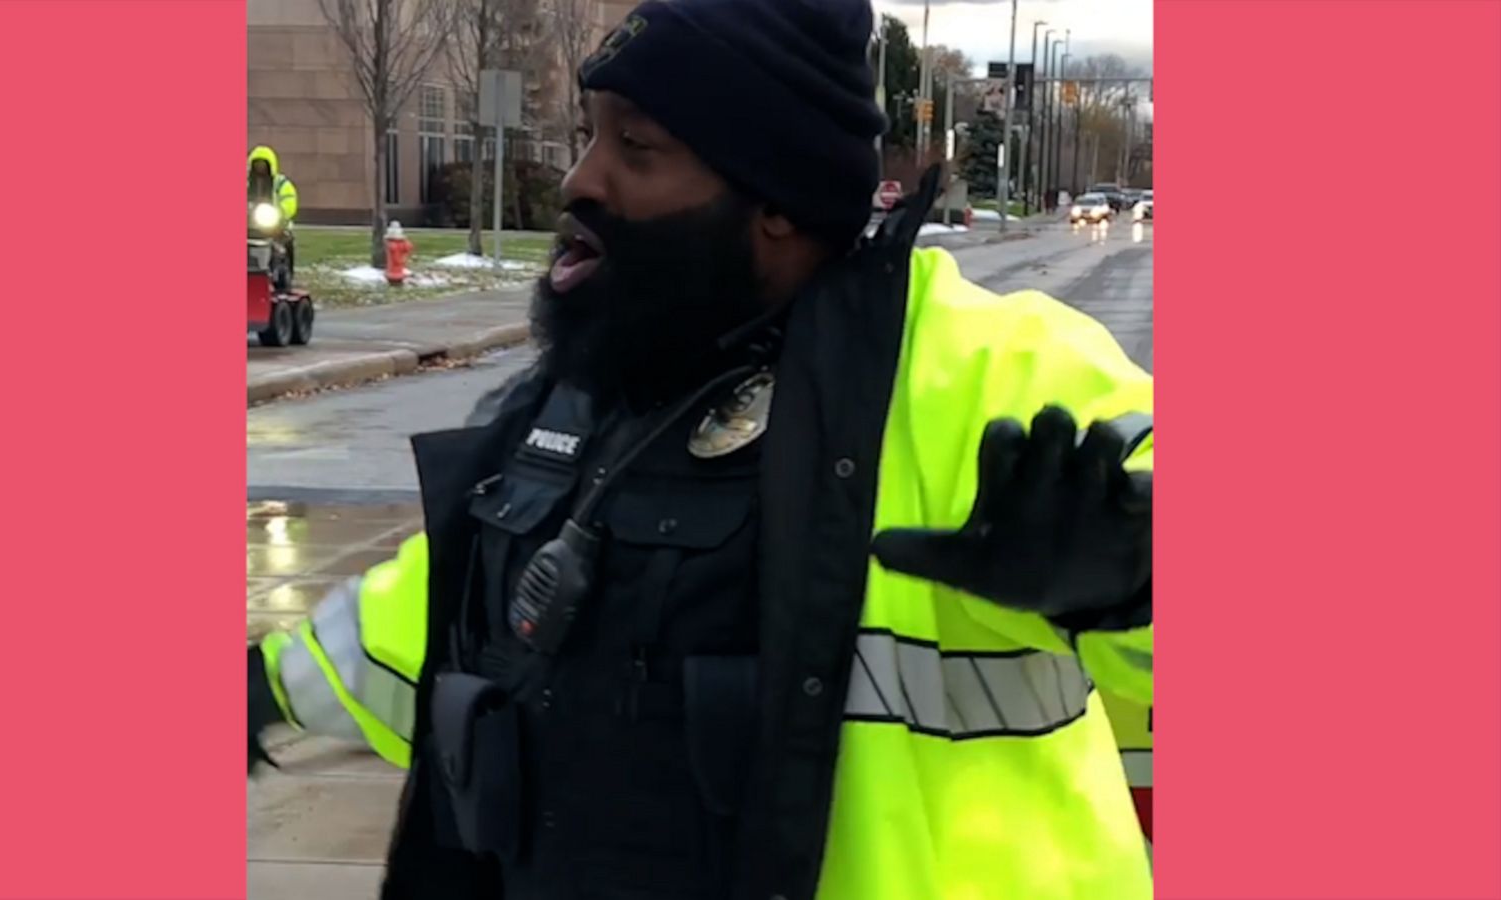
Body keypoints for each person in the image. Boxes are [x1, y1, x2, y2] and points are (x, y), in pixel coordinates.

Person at [247, 1, 1154, 898]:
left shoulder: (992, 367)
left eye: (634, 148)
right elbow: (477, 598)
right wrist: (267, 688)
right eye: (588, 136)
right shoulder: (624, 360)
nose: (579, 181)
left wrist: (1132, 584)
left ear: (775, 205)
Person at [247, 145, 299, 282]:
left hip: (274, 223)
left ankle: (283, 273)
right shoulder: (246, 182)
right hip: (249, 223)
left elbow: (289, 199)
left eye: (263, 164)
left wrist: (281, 212)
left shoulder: (280, 183)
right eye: (257, 164)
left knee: (284, 240)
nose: (260, 167)